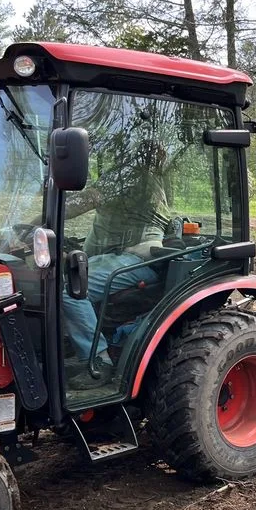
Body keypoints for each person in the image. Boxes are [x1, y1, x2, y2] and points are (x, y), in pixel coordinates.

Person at [60, 139, 174, 389]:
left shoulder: (132, 176)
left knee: (69, 289)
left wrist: (41, 218)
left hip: (136, 259)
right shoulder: (153, 180)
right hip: (123, 255)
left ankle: (99, 361)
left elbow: (83, 202)